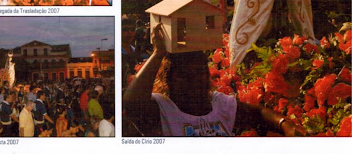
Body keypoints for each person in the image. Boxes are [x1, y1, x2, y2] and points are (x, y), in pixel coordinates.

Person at [123, 23, 306, 137]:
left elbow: (259, 113)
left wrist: (286, 125)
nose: (195, 79)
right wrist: (158, 54)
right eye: (186, 75)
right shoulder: (163, 108)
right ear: (169, 77)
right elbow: (131, 103)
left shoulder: (219, 104)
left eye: (200, 72)